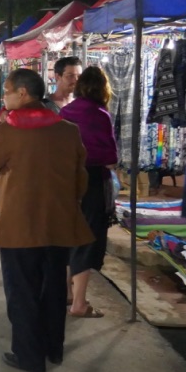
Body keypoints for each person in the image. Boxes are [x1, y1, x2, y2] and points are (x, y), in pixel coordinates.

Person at [0, 68, 93, 372]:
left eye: (7, 91)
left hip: (19, 226)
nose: (4, 97)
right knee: (53, 289)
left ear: (23, 93)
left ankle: (29, 357)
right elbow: (81, 179)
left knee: (22, 291)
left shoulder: (9, 129)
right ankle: (53, 349)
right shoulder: (68, 129)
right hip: (58, 224)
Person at [60, 66, 118, 318]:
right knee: (87, 239)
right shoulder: (101, 115)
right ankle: (79, 303)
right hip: (92, 183)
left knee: (67, 235)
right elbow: (110, 158)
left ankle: (66, 293)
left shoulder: (66, 112)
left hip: (65, 182)